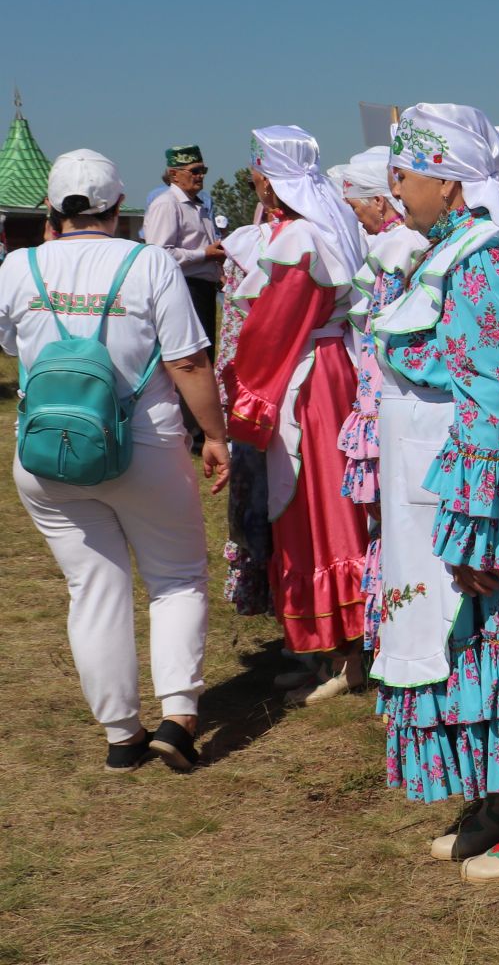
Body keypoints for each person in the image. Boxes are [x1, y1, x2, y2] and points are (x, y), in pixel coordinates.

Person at [369, 104, 499, 882]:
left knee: (485, 633)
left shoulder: (485, 260)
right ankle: (488, 802)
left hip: (461, 490)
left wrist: (480, 524)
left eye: (406, 173)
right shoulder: (444, 250)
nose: (395, 186)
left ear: (448, 182)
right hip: (429, 482)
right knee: (451, 642)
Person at [0, 150, 229, 771]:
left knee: (92, 587)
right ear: (116, 208)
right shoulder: (148, 262)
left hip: (48, 453)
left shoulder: (18, 266)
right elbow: (187, 362)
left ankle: (121, 734)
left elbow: (10, 345)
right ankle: (178, 718)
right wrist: (214, 434)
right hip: (145, 444)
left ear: (51, 210)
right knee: (176, 578)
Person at [224, 127, 372, 704]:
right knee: (327, 499)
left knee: (316, 502)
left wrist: (248, 395)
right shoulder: (325, 227)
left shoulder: (299, 239)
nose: (255, 180)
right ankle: (337, 644)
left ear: (270, 178)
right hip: (329, 366)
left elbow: (271, 330)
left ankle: (342, 649)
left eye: (258, 171)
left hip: (306, 374)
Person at [335, 147, 428, 657]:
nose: (357, 215)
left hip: (393, 400)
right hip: (384, 400)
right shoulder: (402, 243)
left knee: (399, 518)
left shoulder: (402, 246)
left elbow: (387, 335)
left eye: (358, 205)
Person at [144, 145, 225, 436]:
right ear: (174, 175)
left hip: (201, 288)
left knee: (203, 358)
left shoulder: (200, 204)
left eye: (203, 170)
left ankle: (197, 427)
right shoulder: (168, 205)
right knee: (189, 359)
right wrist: (204, 255)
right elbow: (158, 253)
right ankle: (187, 429)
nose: (201, 176)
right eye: (194, 171)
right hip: (183, 288)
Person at [215, 217, 273, 617]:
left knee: (261, 497)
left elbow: (233, 338)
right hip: (274, 388)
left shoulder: (247, 248)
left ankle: (276, 597)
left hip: (255, 390)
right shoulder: (328, 237)